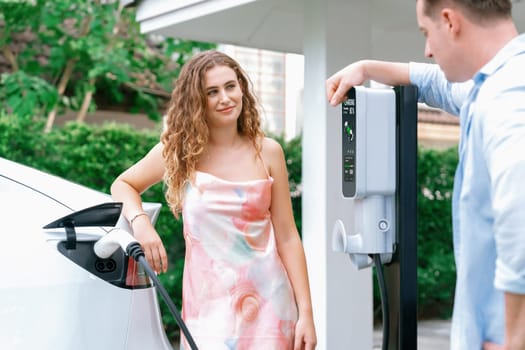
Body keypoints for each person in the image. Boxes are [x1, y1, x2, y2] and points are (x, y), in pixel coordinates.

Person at [326, 1, 525, 349]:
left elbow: (520, 211)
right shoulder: (496, 84)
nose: (428, 50)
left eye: (426, 33)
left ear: (449, 20)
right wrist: (366, 68)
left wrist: (516, 338)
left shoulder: (507, 96)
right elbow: (436, 82)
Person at [111, 50, 317, 349]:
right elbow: (123, 184)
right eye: (212, 92)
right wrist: (141, 224)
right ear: (197, 101)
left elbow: (287, 237)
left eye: (231, 86)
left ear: (242, 88)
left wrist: (306, 314)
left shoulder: (268, 152)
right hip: (208, 315)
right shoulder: (178, 153)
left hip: (271, 310)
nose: (225, 98)